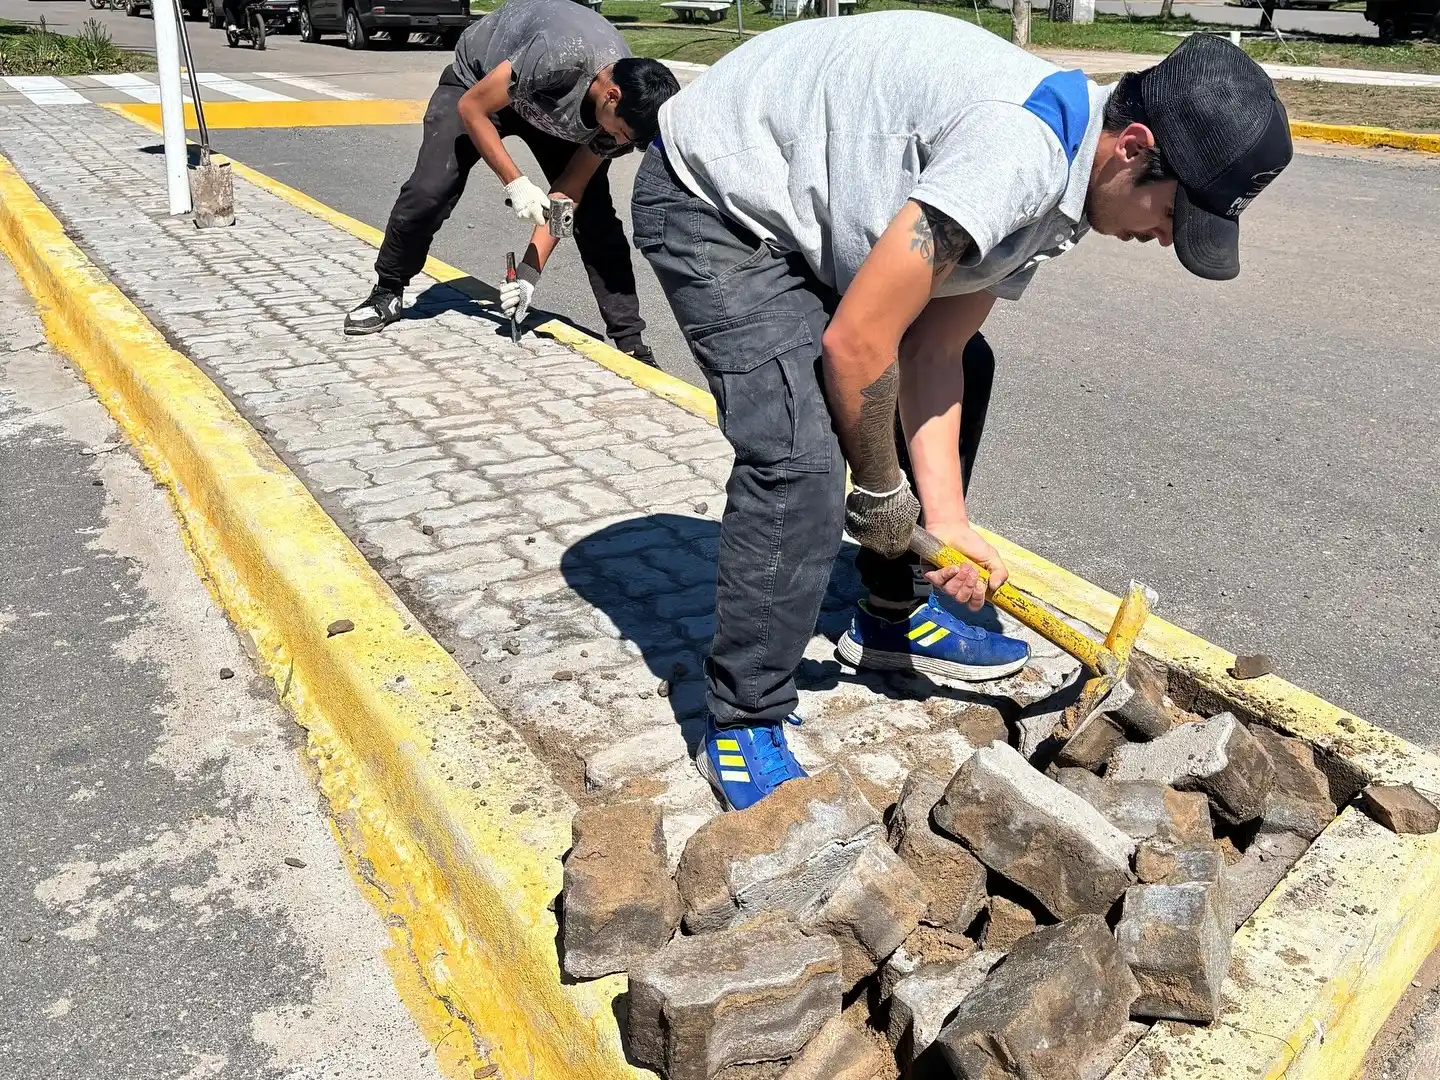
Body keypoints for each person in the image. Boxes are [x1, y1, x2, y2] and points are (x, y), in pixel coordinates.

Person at [633, 18, 1292, 810]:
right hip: (720, 203)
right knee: (801, 456)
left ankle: (886, 618)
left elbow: (935, 350)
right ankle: (743, 718)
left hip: (812, 204)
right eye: (1173, 215)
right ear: (1134, 146)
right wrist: (880, 492)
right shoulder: (1017, 156)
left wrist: (947, 525)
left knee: (966, 369)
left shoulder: (1072, 185)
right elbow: (859, 342)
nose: (1164, 239)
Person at [345, 0, 679, 365]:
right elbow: (472, 108)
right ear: (611, 97)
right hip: (478, 85)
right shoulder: (560, 55)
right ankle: (387, 290)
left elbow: (567, 195)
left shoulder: (622, 117)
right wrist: (515, 182)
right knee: (431, 190)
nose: (616, 142)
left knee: (596, 217)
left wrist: (526, 276)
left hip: (549, 109)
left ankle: (630, 340)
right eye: (620, 133)